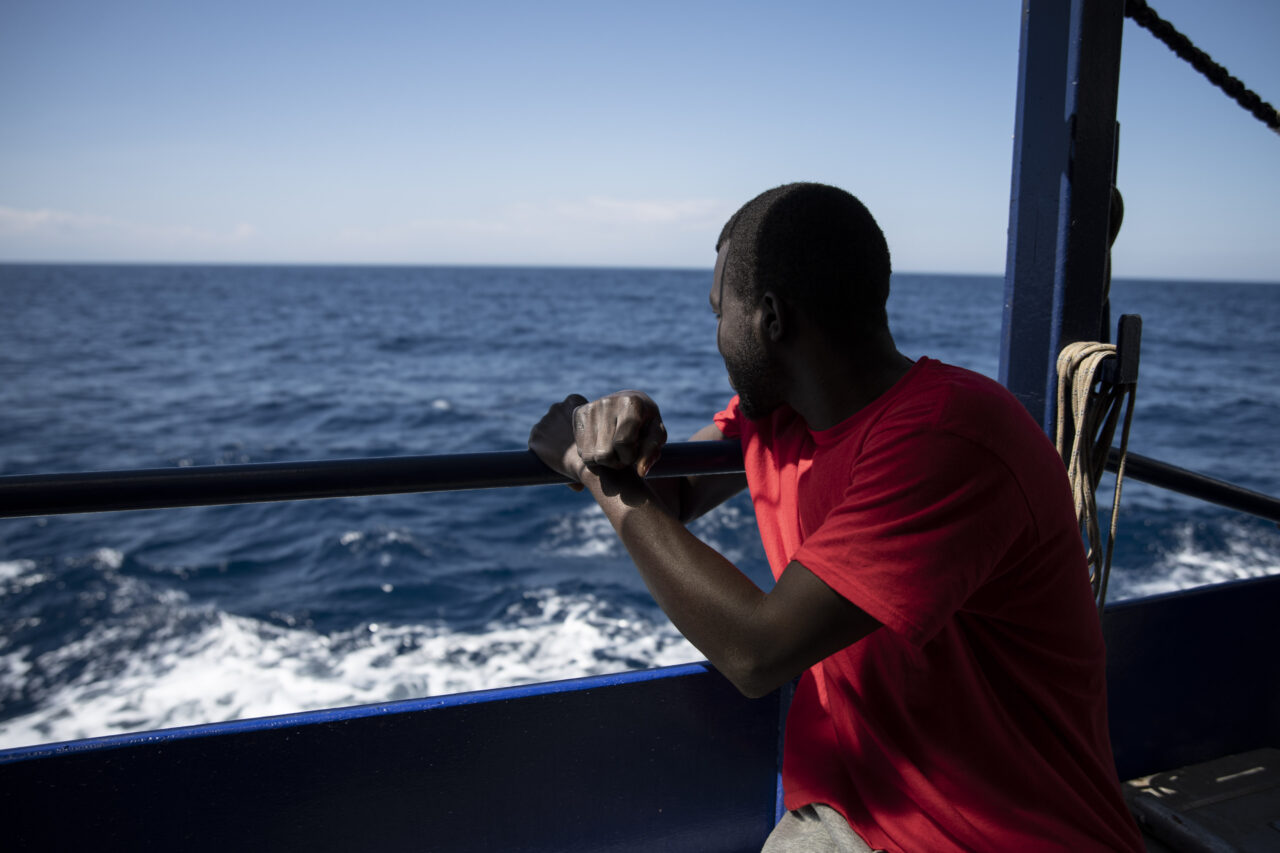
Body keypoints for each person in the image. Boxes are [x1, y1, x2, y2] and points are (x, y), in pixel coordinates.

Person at [528, 183, 1143, 852]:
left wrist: (594, 472)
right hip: (859, 815)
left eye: (718, 313)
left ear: (769, 318)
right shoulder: (783, 416)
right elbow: (666, 500)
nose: (714, 336)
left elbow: (756, 651)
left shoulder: (949, 437)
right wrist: (620, 429)